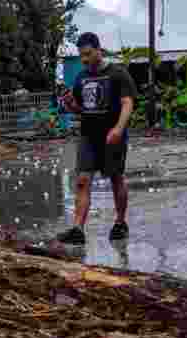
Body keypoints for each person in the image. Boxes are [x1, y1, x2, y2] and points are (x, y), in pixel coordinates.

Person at [56, 32, 137, 245]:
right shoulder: (81, 78)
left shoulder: (118, 74)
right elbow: (80, 109)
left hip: (112, 135)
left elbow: (128, 103)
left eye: (88, 54)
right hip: (88, 136)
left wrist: (119, 129)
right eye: (81, 55)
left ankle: (120, 223)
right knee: (82, 180)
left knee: (116, 178)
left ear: (98, 50)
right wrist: (69, 104)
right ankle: (77, 229)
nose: (84, 59)